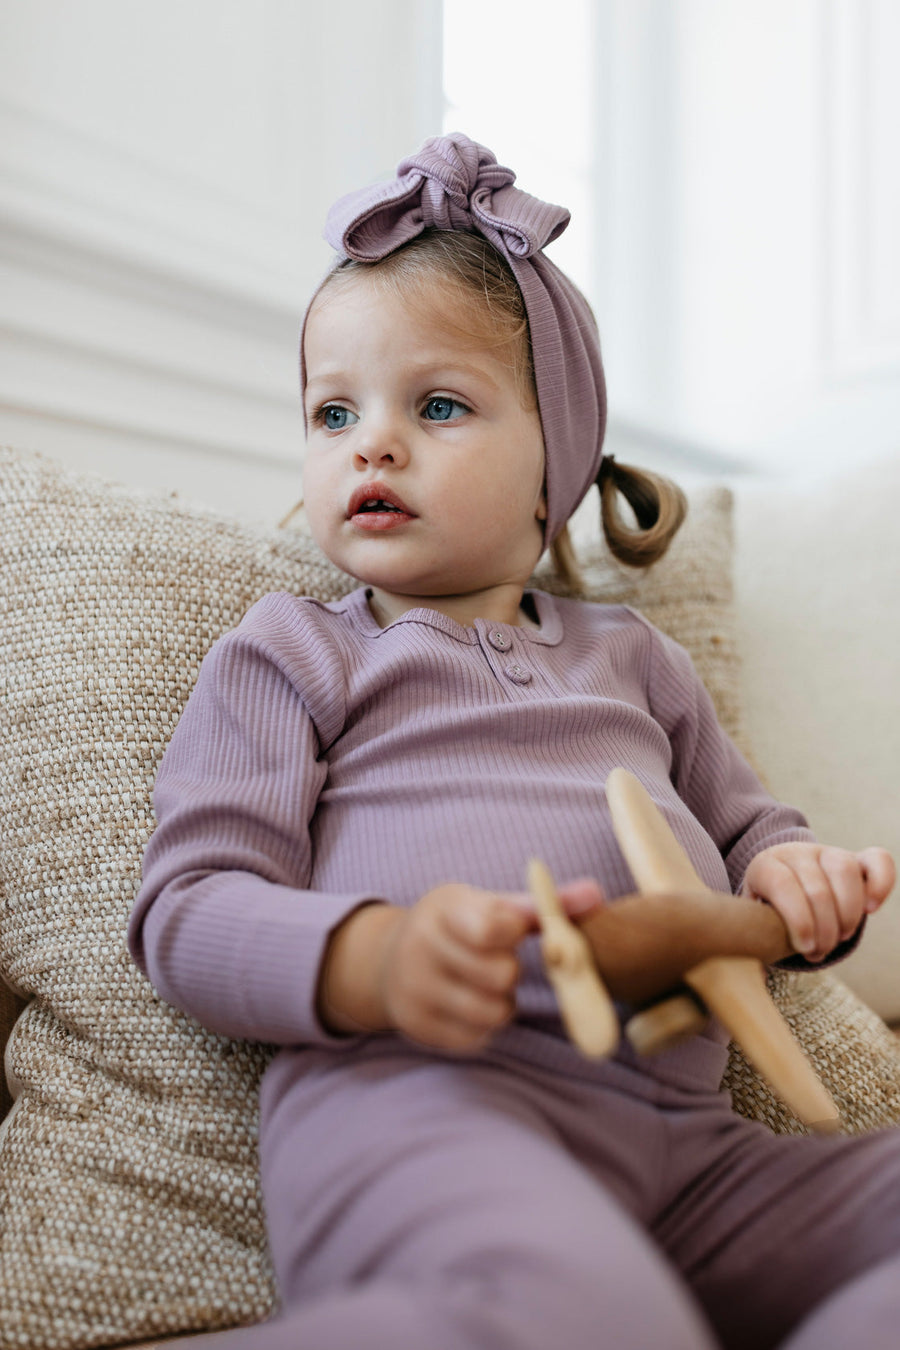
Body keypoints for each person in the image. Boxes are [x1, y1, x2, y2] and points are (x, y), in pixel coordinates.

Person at [129, 134, 899, 1350]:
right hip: (419, 1106)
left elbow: (754, 834)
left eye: (436, 405)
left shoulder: (634, 660)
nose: (370, 443)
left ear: (560, 465)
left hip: (690, 1152)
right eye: (334, 411)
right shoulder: (293, 653)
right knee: (580, 1311)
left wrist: (801, 884)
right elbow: (186, 908)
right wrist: (372, 958)